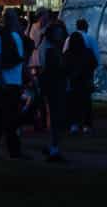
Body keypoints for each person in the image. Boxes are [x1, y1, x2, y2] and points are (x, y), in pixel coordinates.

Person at [0, 8, 27, 160]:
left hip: (12, 82)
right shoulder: (2, 36)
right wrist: (1, 79)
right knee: (7, 118)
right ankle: (10, 150)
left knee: (5, 119)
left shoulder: (12, 36)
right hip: (6, 83)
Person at [37, 21, 70, 162]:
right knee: (56, 117)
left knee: (53, 116)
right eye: (58, 32)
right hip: (55, 86)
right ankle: (54, 148)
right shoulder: (52, 50)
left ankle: (52, 146)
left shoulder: (49, 47)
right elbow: (55, 69)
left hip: (52, 86)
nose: (60, 35)